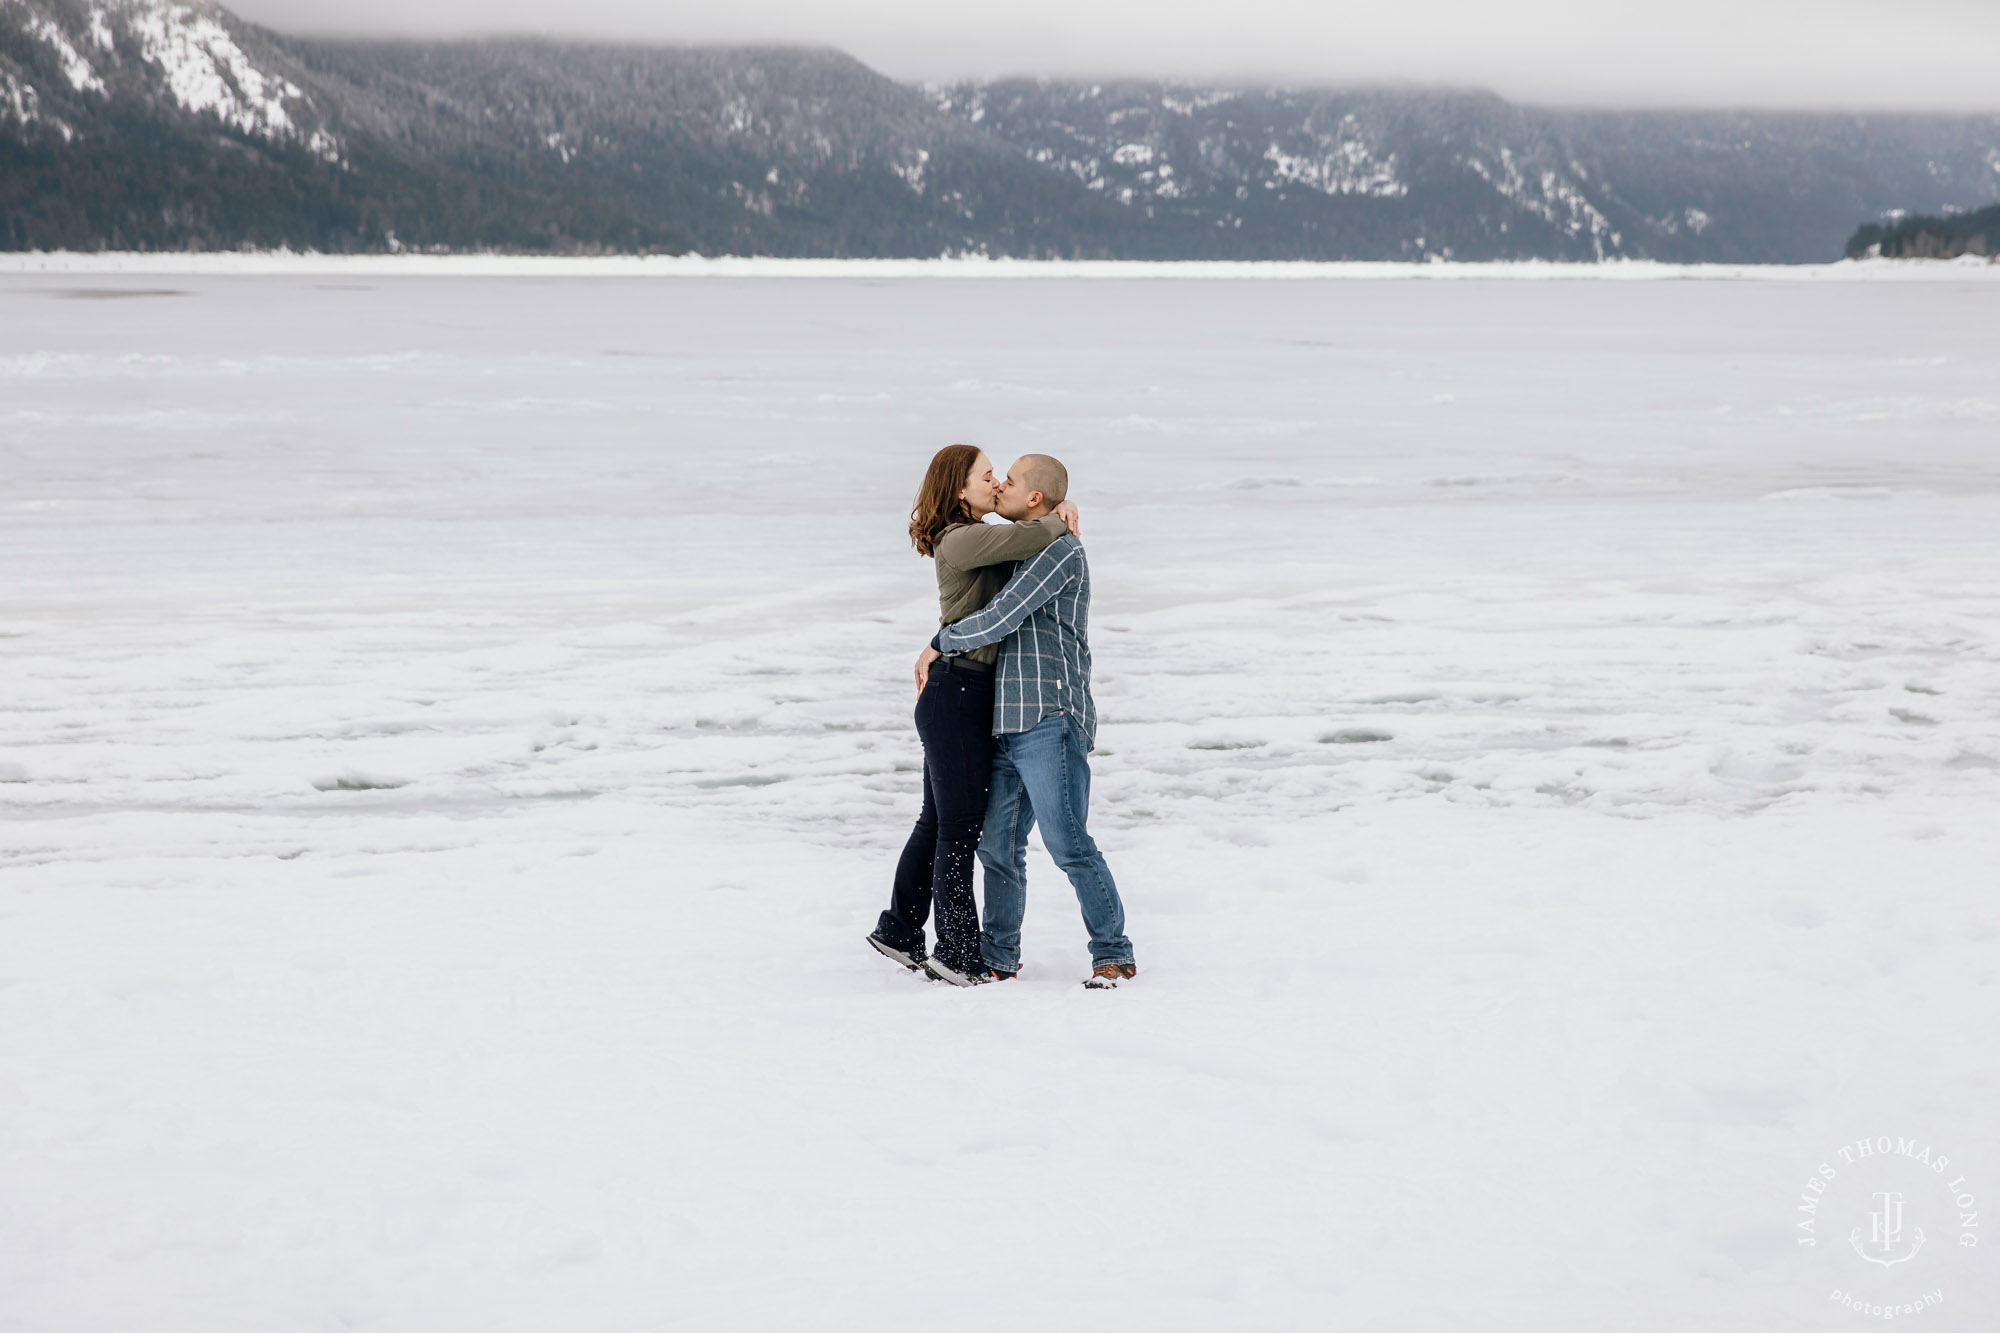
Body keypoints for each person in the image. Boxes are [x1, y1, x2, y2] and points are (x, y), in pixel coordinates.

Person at [918, 454, 1137, 989]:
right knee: (998, 848)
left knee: (1069, 844)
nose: (1000, 488)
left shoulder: (1058, 550)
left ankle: (1113, 950)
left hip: (1049, 716)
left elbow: (1003, 615)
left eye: (1009, 482)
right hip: (1005, 722)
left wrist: (939, 642)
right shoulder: (1028, 543)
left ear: (1034, 498)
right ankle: (999, 955)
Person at [867, 445, 1079, 984]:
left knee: (937, 820)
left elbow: (1028, 531)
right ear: (960, 490)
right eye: (988, 476)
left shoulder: (976, 535)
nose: (995, 482)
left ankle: (899, 929)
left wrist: (1059, 503)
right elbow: (1034, 534)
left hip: (963, 691)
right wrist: (1058, 511)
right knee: (960, 826)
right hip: (957, 693)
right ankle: (958, 953)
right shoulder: (962, 539)